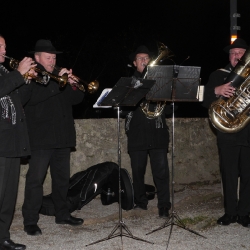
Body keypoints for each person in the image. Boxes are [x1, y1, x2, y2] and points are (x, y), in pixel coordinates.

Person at [22, 39, 85, 236]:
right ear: (37, 58)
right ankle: (30, 220)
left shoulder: (59, 76)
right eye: (48, 57)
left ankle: (62, 213)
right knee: (35, 180)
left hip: (62, 136)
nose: (52, 60)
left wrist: (72, 85)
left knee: (62, 179)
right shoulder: (31, 75)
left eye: (54, 57)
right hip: (41, 137)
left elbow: (76, 100)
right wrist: (57, 82)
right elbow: (30, 98)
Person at [203, 38, 250, 228]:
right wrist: (217, 90)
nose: (236, 56)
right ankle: (230, 213)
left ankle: (245, 213)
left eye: (240, 53)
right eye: (233, 53)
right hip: (227, 134)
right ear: (229, 57)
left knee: (248, 176)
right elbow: (204, 101)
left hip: (247, 132)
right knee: (228, 175)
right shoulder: (218, 75)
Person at [125, 45, 171, 218]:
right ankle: (140, 202)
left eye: (146, 58)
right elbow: (123, 109)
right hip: (137, 132)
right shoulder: (128, 82)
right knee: (138, 171)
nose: (144, 61)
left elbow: (167, 110)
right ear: (134, 63)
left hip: (158, 131)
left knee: (161, 171)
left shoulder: (160, 80)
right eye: (140, 58)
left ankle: (164, 205)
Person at [0, 34, 36, 250]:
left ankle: (3, 237)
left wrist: (27, 80)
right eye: (0, 46)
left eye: (4, 45)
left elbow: (19, 100)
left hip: (11, 140)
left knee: (8, 195)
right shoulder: (8, 75)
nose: (4, 50)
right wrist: (18, 74)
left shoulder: (5, 72)